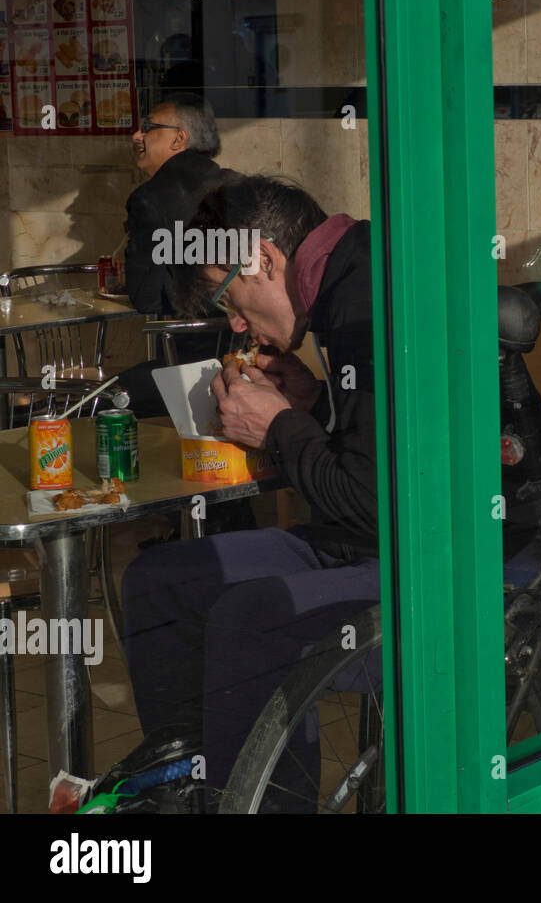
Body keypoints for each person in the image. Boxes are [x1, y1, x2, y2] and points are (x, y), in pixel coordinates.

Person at [118, 174, 379, 810]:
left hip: (454, 562)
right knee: (162, 583)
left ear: (261, 257)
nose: (236, 323)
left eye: (227, 299)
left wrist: (280, 427)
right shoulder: (341, 280)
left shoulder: (365, 296)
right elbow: (378, 456)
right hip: (372, 540)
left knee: (251, 617)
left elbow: (374, 499)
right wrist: (312, 407)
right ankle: (190, 791)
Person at [117, 93, 226, 418]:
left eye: (148, 127)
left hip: (184, 368)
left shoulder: (148, 199)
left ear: (180, 138)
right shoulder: (235, 183)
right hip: (238, 363)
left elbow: (145, 299)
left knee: (97, 400)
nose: (136, 136)